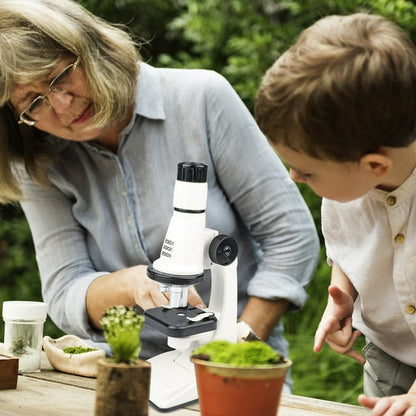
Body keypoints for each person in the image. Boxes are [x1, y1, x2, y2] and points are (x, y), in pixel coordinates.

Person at [0, 0, 320, 392]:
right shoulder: (39, 163)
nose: (62, 105)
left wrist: (234, 345)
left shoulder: (200, 99)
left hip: (236, 368)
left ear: (90, 49)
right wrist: (133, 284)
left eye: (60, 76)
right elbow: (66, 292)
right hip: (118, 371)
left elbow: (291, 235)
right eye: (33, 103)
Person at [255, 11, 416, 415]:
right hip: (390, 349)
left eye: (306, 170)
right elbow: (350, 244)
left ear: (375, 165)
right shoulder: (348, 182)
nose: (294, 177)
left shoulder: (353, 176)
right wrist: (343, 296)